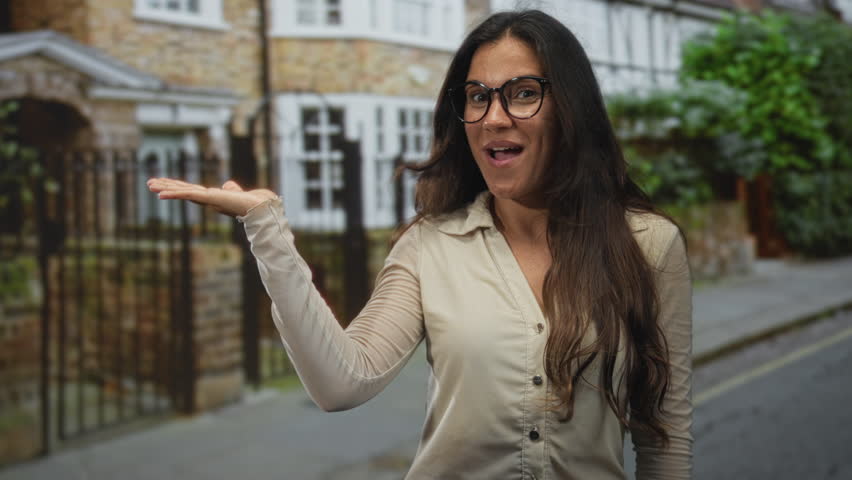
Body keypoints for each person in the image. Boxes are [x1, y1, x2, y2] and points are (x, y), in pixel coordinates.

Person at [148, 9, 693, 479]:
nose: (493, 116)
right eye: (477, 97)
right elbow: (342, 382)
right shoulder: (429, 246)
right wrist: (267, 228)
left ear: (570, 109)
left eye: (524, 93)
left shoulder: (648, 245)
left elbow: (663, 435)